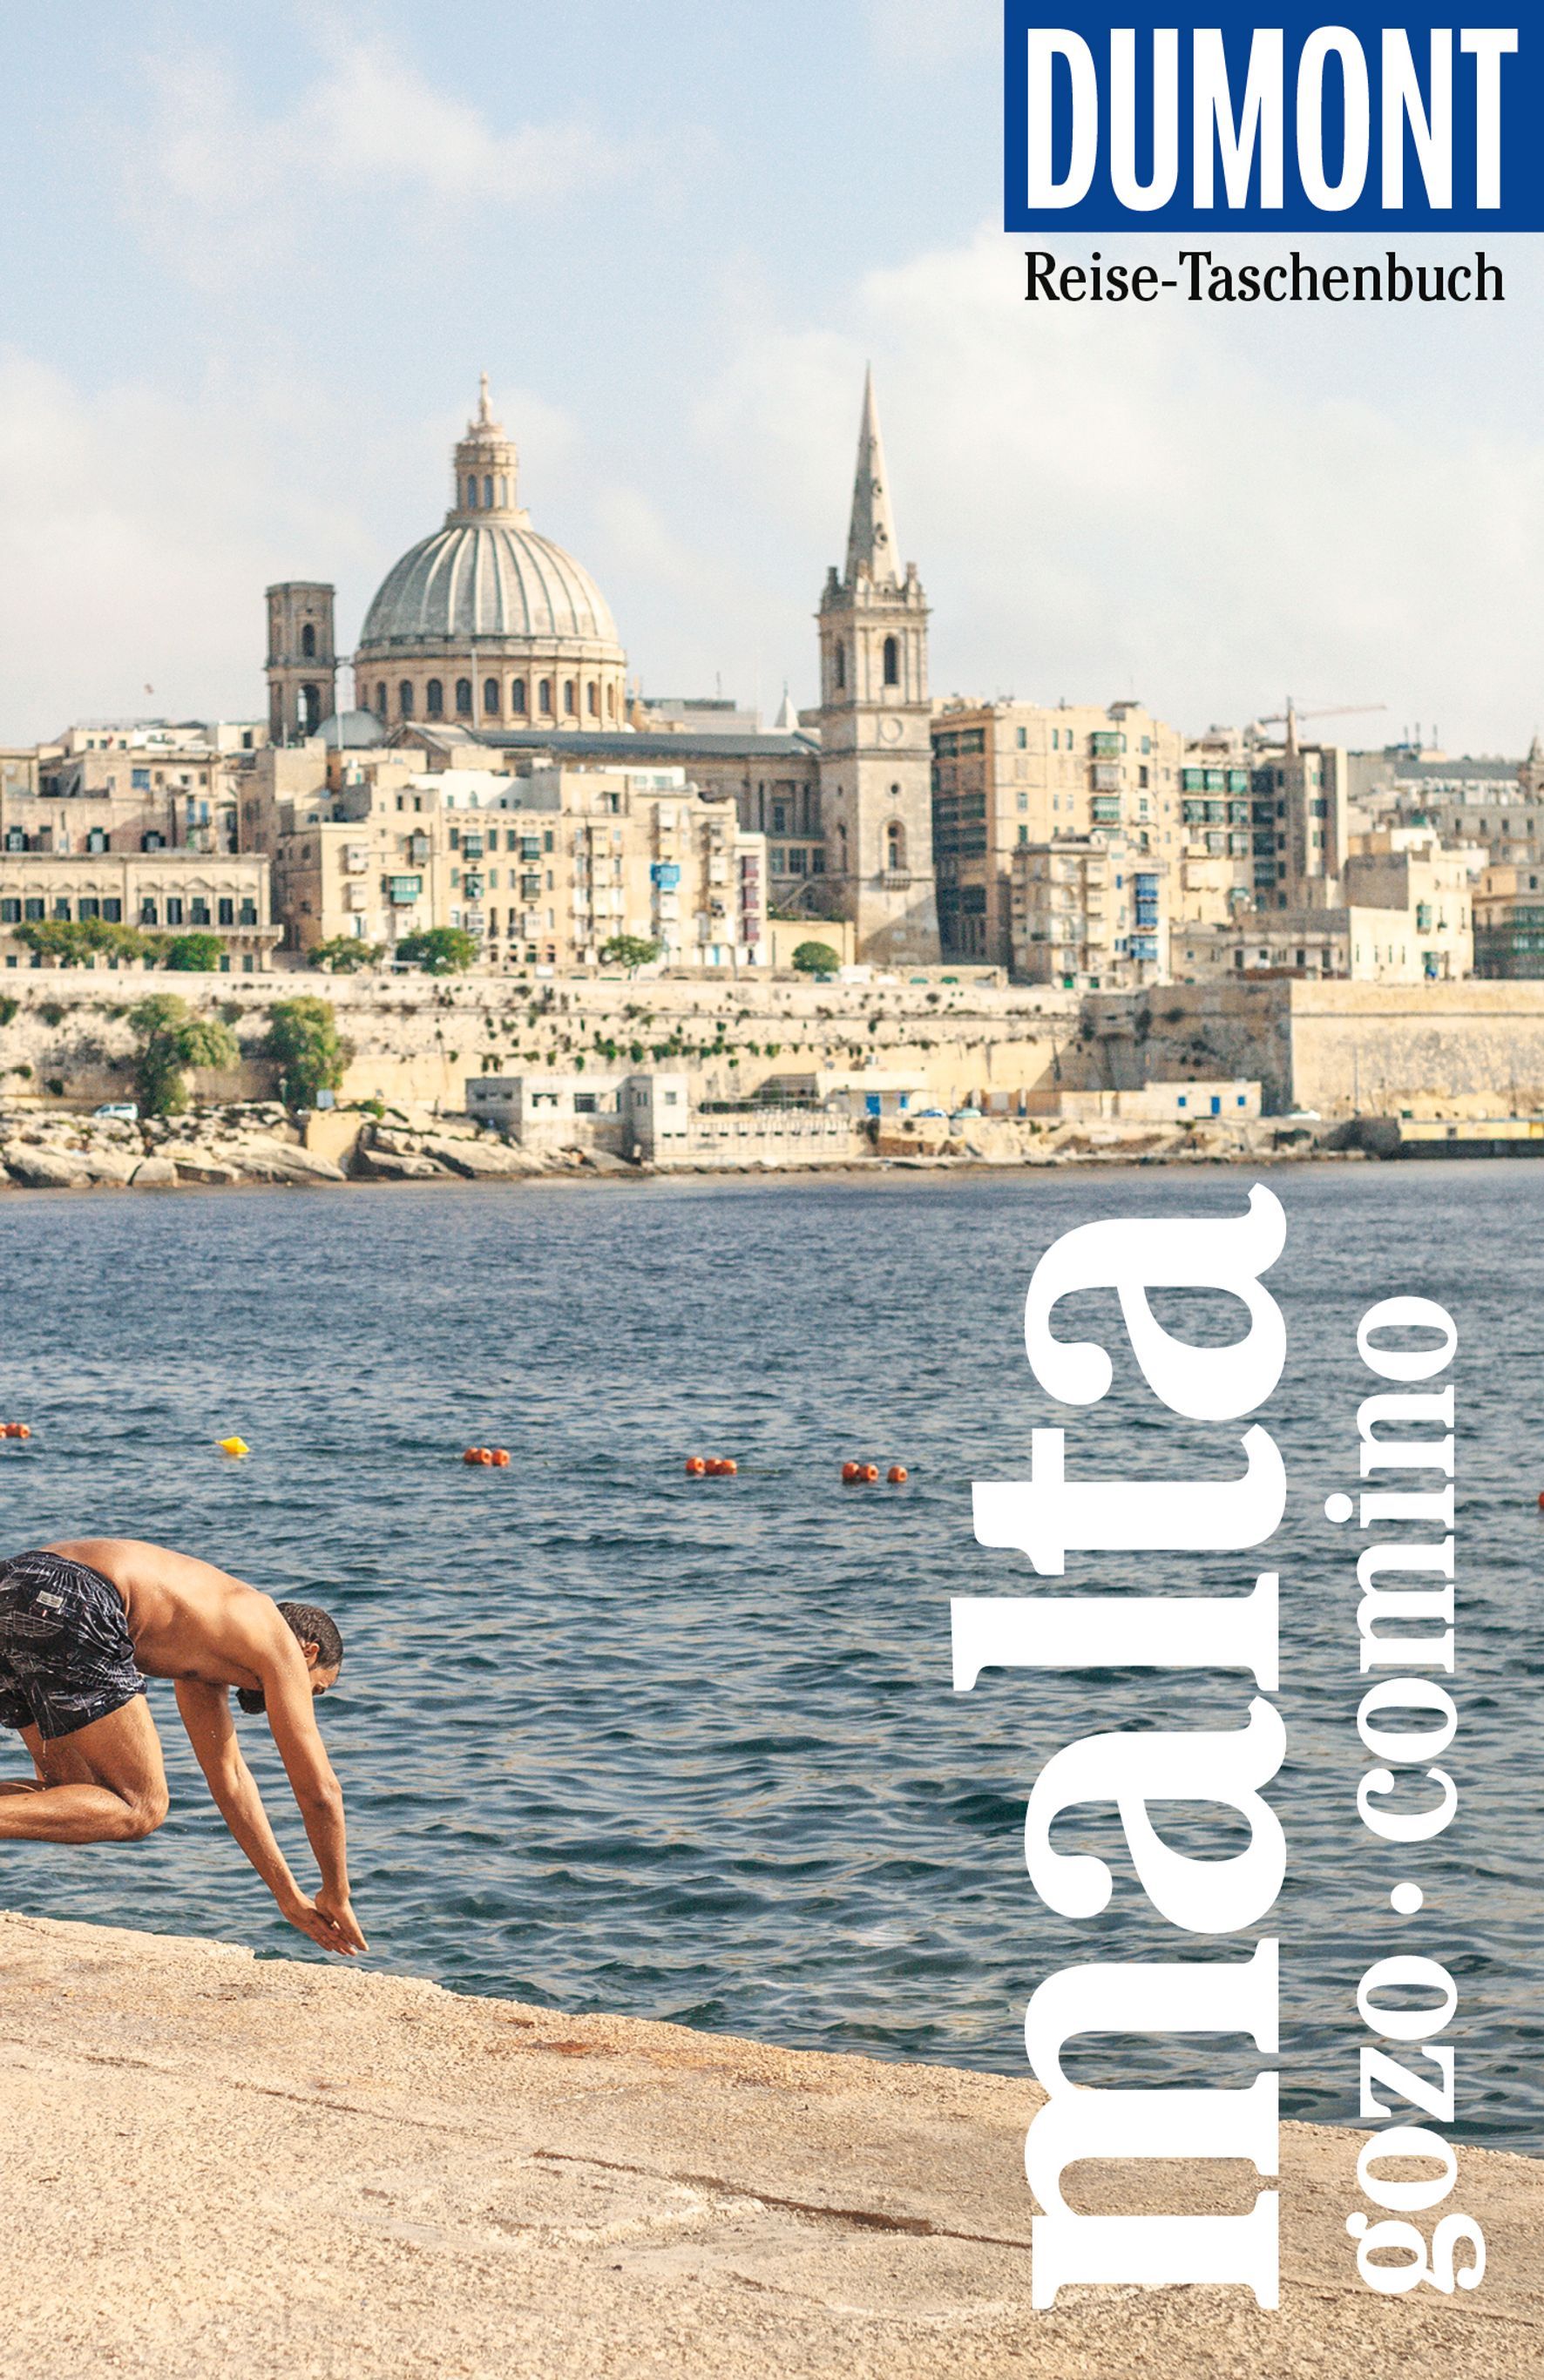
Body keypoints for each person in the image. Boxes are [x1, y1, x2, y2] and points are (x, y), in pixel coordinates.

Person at [0, 1538, 366, 1957]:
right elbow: (320, 1792)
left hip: (14, 1585)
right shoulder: (279, 1643)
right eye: (315, 1690)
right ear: (309, 1652)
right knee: (142, 1806)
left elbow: (229, 1782)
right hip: (75, 1594)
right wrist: (336, 1891)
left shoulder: (205, 1655)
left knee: (70, 1793)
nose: (306, 1700)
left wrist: (287, 1894)